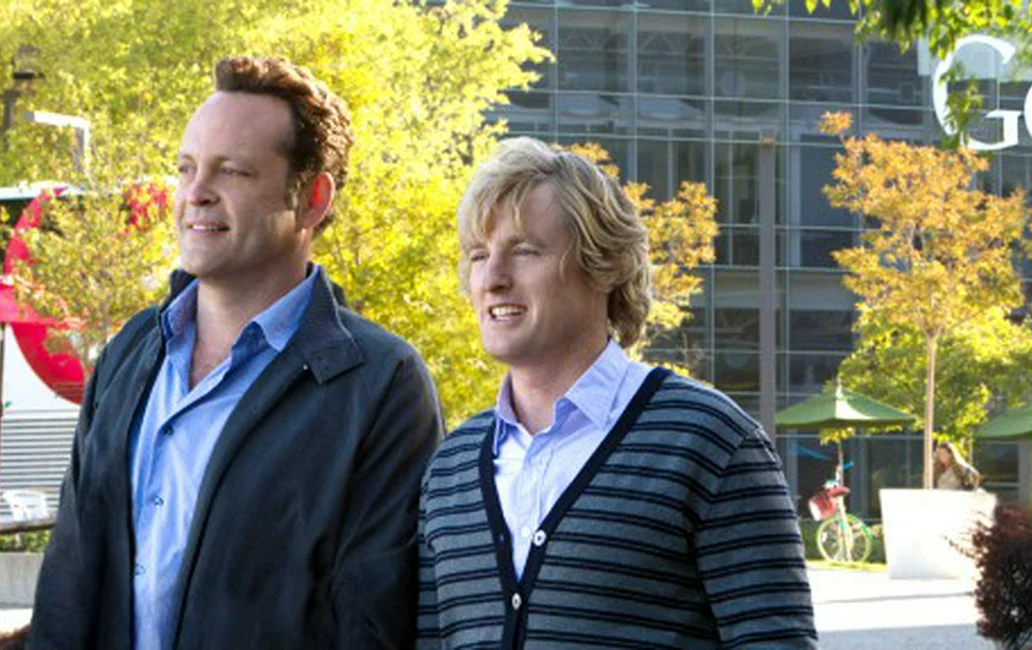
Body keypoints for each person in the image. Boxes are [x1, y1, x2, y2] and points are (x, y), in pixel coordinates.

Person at [29, 56, 443, 649]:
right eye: (187, 168)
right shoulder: (128, 355)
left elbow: (374, 626)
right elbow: (65, 594)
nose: (196, 194)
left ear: (312, 199)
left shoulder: (379, 385)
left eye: (232, 172)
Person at [417, 137, 816, 649]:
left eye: (524, 250)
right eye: (478, 255)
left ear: (602, 265)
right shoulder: (449, 470)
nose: (492, 278)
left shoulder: (709, 443)